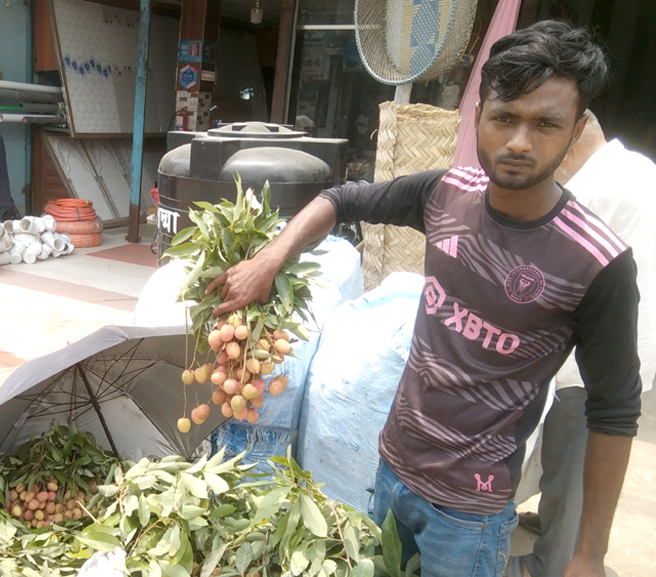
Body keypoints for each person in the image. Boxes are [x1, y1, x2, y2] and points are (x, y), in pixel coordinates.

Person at [209, 21, 641, 577]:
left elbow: (614, 414)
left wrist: (590, 554)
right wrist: (271, 258)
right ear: (478, 111)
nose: (518, 142)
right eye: (504, 117)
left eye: (545, 124)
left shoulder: (596, 262)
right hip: (392, 467)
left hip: (471, 509)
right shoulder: (447, 195)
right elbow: (342, 200)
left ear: (576, 129)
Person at [505, 112, 656, 577]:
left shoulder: (591, 190)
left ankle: (553, 562)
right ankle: (553, 524)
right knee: (567, 460)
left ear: (569, 144)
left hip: (593, 362)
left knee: (575, 465)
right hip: (633, 348)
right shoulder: (639, 169)